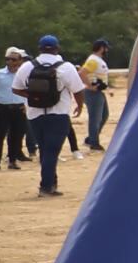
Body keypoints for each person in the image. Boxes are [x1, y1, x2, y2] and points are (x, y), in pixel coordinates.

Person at [12, 38, 87, 198]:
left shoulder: (27, 66)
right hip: (59, 114)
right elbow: (78, 90)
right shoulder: (66, 67)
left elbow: (16, 89)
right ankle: (46, 187)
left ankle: (51, 183)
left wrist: (32, 96)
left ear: (39, 48)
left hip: (34, 114)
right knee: (52, 151)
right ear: (57, 48)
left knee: (45, 150)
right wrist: (80, 105)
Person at [0, 46, 27, 169]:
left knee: (16, 136)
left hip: (19, 108)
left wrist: (27, 105)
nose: (10, 62)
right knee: (0, 135)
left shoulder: (23, 74)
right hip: (3, 108)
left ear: (20, 61)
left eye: (14, 59)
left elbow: (27, 90)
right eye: (8, 59)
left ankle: (12, 160)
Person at [79, 40, 113, 151]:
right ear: (102, 48)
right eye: (106, 48)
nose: (107, 50)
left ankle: (91, 138)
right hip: (93, 93)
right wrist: (89, 86)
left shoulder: (98, 60)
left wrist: (107, 89)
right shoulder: (93, 60)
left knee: (104, 116)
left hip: (99, 92)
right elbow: (82, 73)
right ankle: (94, 142)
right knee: (95, 118)